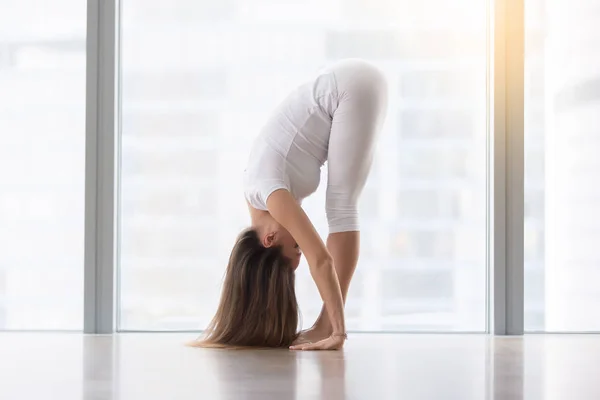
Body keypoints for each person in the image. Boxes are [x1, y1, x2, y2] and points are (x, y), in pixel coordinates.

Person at [192, 59, 388, 351]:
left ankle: (328, 326)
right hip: (346, 84)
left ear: (269, 239)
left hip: (349, 88)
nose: (301, 246)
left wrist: (338, 333)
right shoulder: (262, 200)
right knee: (340, 204)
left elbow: (320, 258)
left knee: (341, 206)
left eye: (294, 248)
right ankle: (327, 325)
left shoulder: (270, 193)